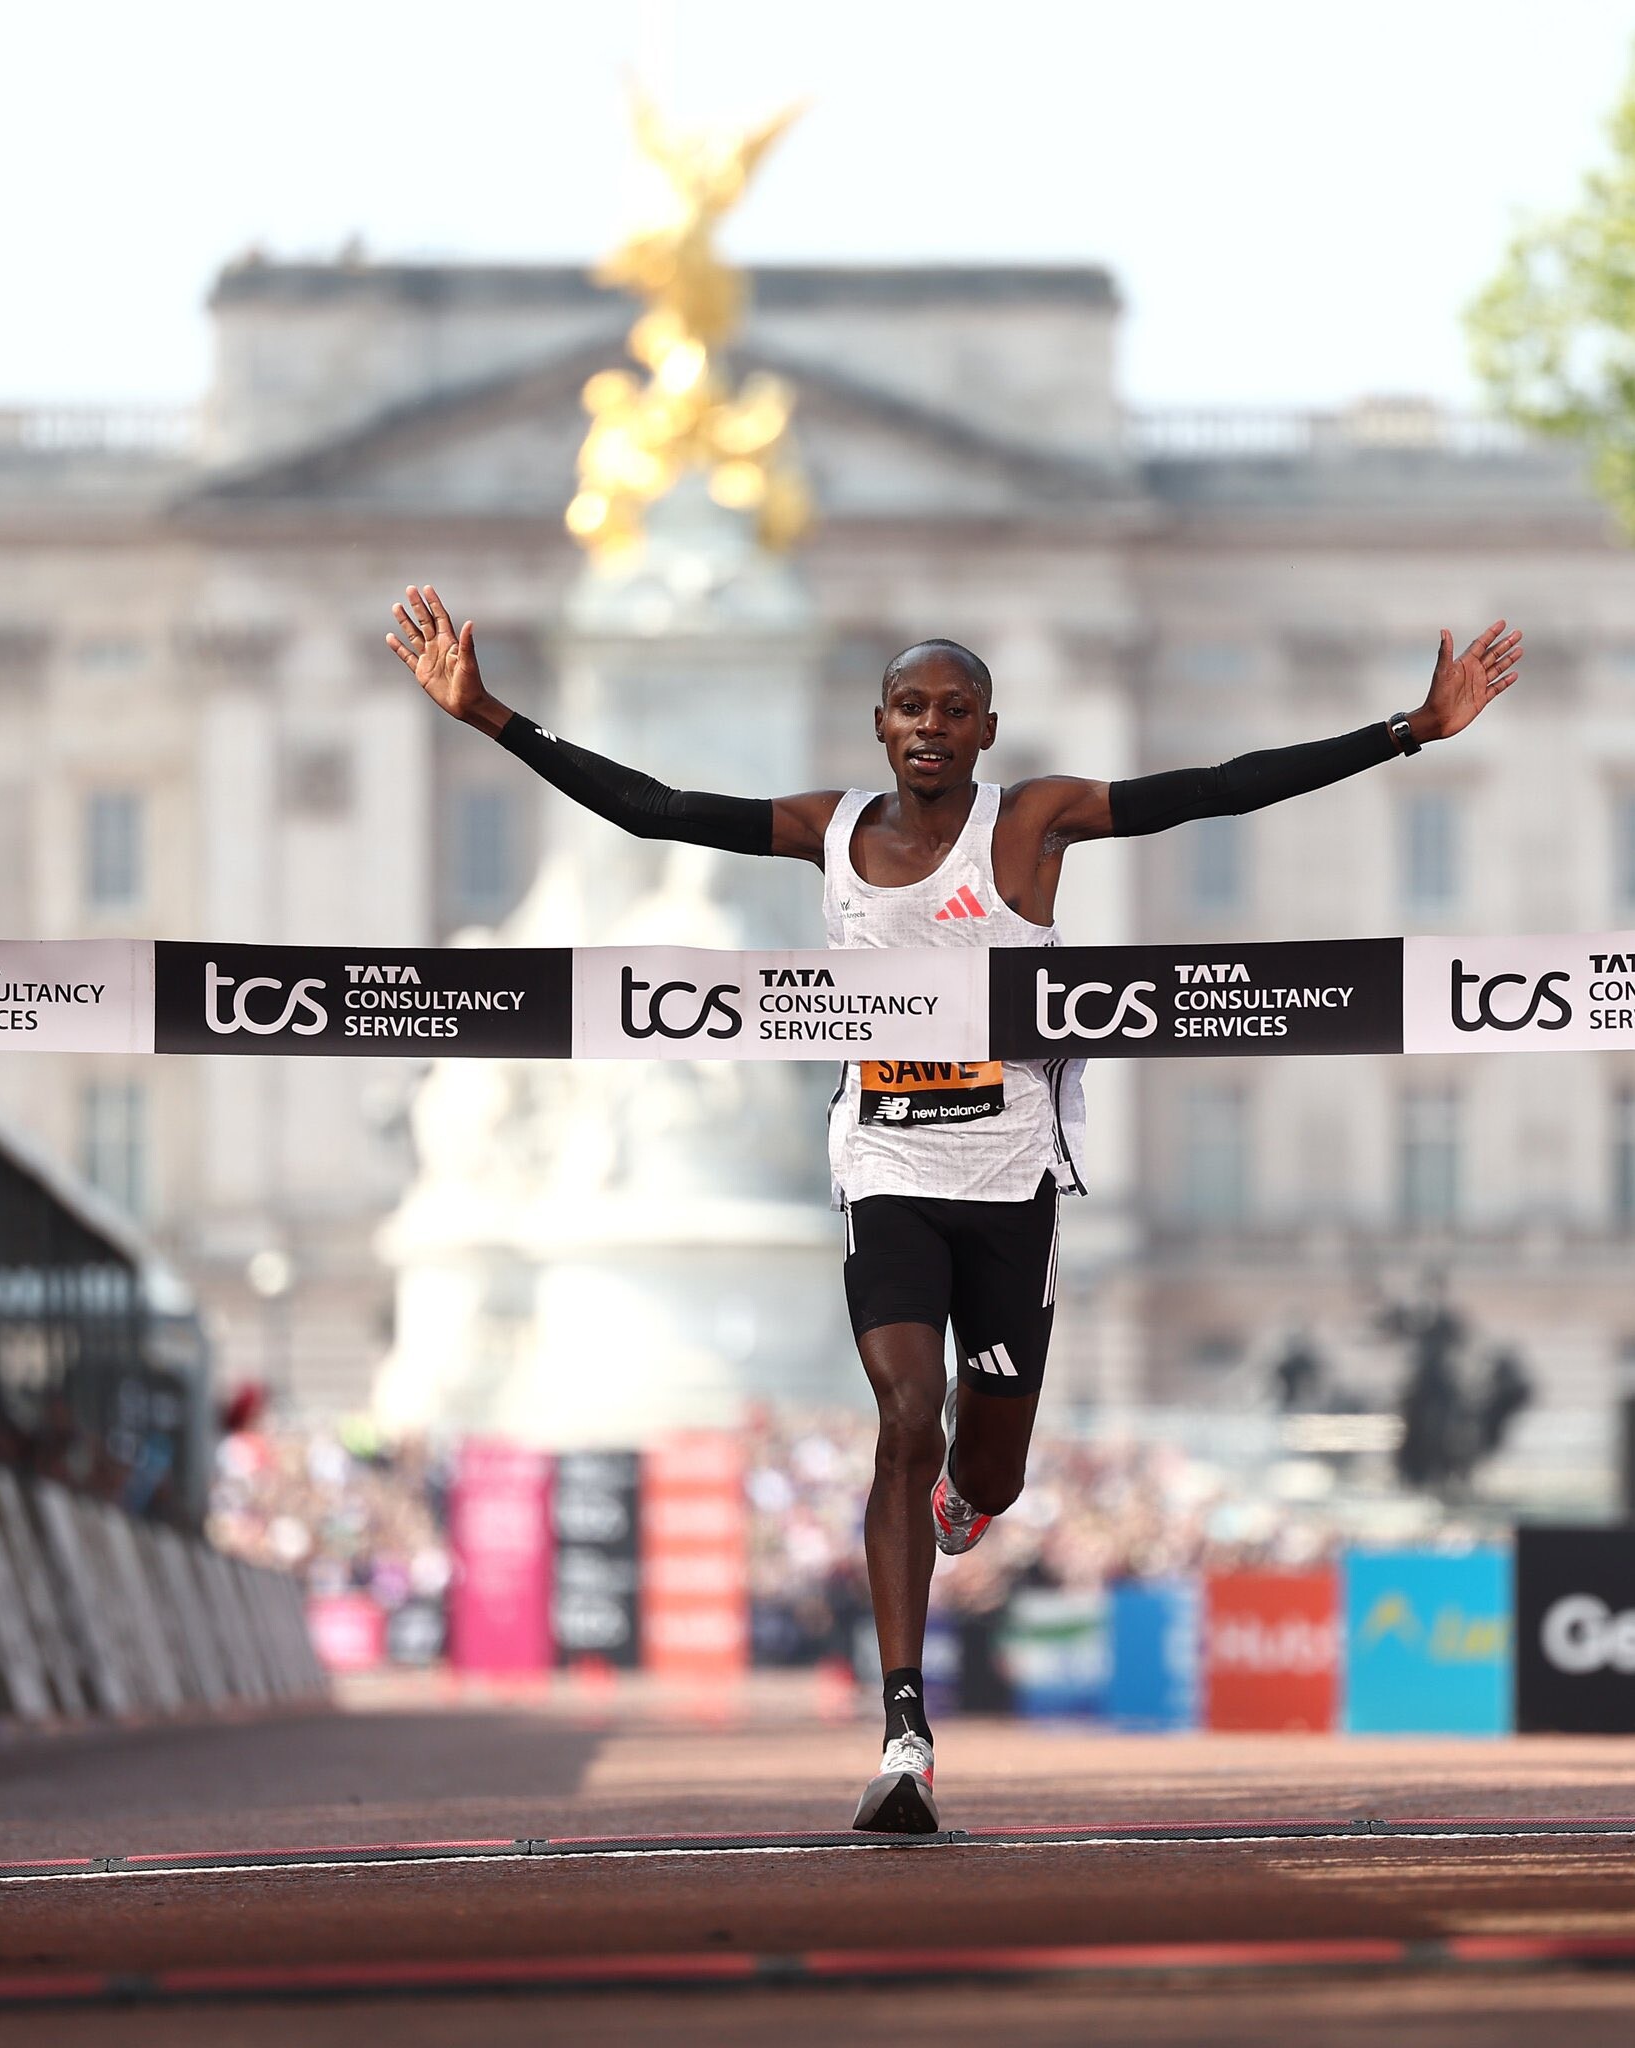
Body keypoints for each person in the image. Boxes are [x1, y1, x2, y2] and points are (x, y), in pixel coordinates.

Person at [386, 583, 1523, 1832]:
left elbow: (1213, 786)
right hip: (885, 1165)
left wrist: (1405, 730)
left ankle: (966, 1503)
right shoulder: (827, 829)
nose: (929, 724)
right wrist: (488, 714)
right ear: (877, 723)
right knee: (902, 1414)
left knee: (986, 1468)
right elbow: (655, 808)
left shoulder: (1031, 822)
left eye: (952, 708)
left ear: (985, 729)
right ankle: (903, 1727)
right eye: (908, 706)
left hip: (1010, 1179)